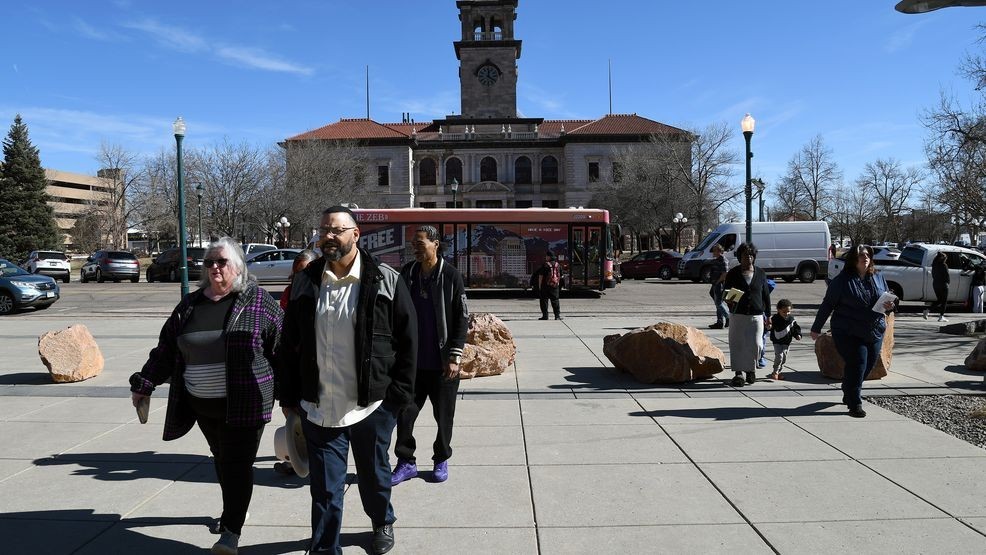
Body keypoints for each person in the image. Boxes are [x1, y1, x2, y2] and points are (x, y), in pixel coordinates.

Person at [277, 206, 417, 555]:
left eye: (337, 230)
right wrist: (290, 397)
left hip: (371, 405)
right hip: (320, 406)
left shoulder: (384, 278)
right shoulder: (306, 281)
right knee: (325, 489)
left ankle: (381, 520)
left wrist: (396, 399)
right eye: (324, 229)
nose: (329, 236)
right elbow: (289, 343)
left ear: (356, 234)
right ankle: (325, 548)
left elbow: (409, 341)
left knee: (373, 476)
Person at [130, 237, 283, 555]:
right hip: (202, 406)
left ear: (238, 266)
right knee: (222, 460)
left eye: (221, 261)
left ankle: (230, 531)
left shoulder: (258, 301)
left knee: (237, 464)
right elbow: (166, 349)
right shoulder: (190, 305)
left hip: (246, 403)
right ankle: (236, 508)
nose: (214, 266)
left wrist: (294, 398)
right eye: (209, 261)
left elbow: (282, 350)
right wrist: (145, 383)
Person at [392, 225, 469, 485]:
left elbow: (462, 318)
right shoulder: (408, 274)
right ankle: (406, 462)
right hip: (412, 364)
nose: (415, 247)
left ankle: (441, 459)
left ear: (436, 244)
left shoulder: (451, 275)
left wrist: (455, 356)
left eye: (420, 242)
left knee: (444, 416)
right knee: (405, 414)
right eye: (413, 243)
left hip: (443, 365)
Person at [810, 245, 896, 418]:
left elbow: (887, 300)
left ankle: (848, 388)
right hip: (848, 331)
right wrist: (816, 327)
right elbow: (828, 304)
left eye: (867, 254)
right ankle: (855, 402)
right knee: (858, 363)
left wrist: (890, 306)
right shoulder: (842, 281)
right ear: (853, 260)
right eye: (860, 255)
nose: (864, 257)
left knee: (868, 366)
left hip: (874, 329)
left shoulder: (878, 277)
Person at [722, 242, 771, 387]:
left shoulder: (760, 273)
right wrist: (730, 299)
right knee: (737, 345)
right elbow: (726, 293)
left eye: (751, 255)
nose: (748, 258)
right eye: (745, 255)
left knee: (756, 344)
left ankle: (750, 369)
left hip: (756, 315)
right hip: (738, 315)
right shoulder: (733, 273)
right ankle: (738, 373)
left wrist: (768, 316)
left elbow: (766, 295)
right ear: (739, 257)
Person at [769, 299, 802, 380]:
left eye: (788, 312)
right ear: (778, 310)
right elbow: (770, 326)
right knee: (779, 356)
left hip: (786, 342)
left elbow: (795, 329)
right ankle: (775, 372)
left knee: (784, 357)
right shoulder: (775, 318)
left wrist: (798, 335)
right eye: (784, 312)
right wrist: (769, 327)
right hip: (777, 341)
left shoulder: (791, 320)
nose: (786, 314)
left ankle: (779, 372)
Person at [707, 244, 729, 329]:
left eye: (714, 250)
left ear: (719, 251)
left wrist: (717, 282)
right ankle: (720, 322)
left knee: (718, 303)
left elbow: (725, 273)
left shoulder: (723, 260)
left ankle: (728, 317)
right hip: (715, 284)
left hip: (719, 284)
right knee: (718, 303)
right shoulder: (716, 260)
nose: (713, 251)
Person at [924, 251, 950, 322]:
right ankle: (941, 316)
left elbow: (933, 275)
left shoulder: (934, 265)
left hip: (935, 284)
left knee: (939, 300)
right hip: (943, 284)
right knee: (944, 301)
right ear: (943, 258)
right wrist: (948, 283)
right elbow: (947, 276)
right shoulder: (944, 265)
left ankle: (927, 310)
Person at [537, 252, 562, 320]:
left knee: (544, 301)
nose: (546, 257)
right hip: (554, 285)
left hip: (545, 286)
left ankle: (545, 316)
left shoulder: (545, 265)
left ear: (549, 257)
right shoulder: (558, 265)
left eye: (546, 256)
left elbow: (540, 276)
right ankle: (557, 316)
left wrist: (540, 285)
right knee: (555, 300)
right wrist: (557, 283)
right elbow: (560, 275)